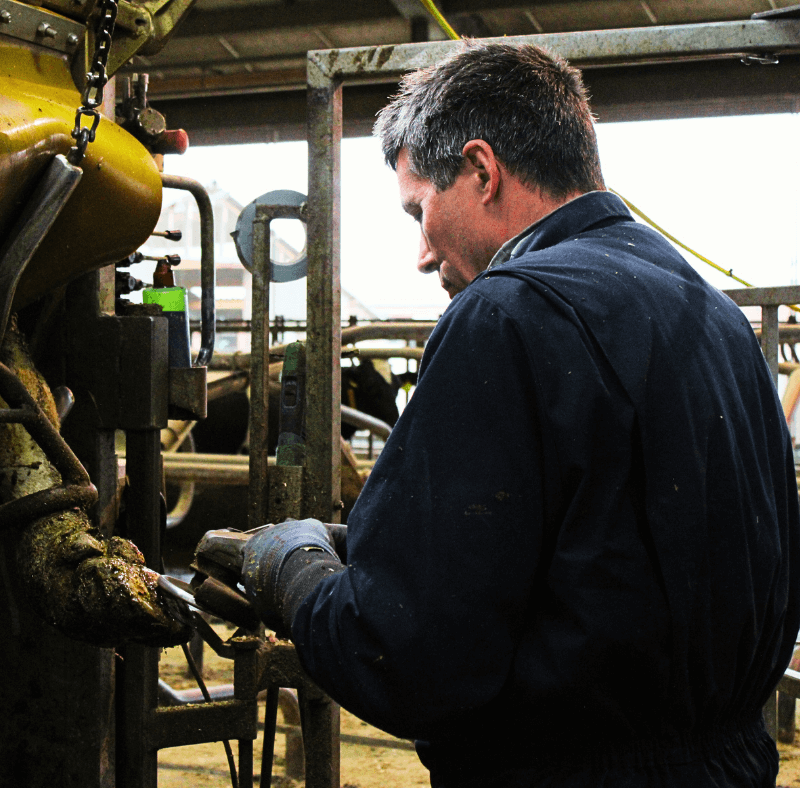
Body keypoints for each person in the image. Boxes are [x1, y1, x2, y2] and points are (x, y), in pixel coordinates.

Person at [209, 42, 800, 786]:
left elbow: (409, 655)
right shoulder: (711, 314)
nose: (422, 254)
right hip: (730, 763)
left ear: (482, 171)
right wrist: (382, 541)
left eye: (420, 210)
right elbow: (618, 546)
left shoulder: (508, 312)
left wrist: (294, 572)